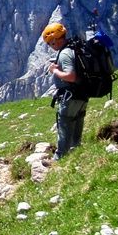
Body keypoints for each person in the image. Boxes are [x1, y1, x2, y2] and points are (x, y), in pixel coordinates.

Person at [43, 22, 85, 161]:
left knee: (65, 124)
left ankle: (60, 158)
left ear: (55, 40)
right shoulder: (73, 48)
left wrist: (55, 70)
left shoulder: (65, 53)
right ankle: (76, 154)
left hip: (70, 96)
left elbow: (71, 76)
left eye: (50, 43)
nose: (51, 46)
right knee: (77, 122)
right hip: (82, 95)